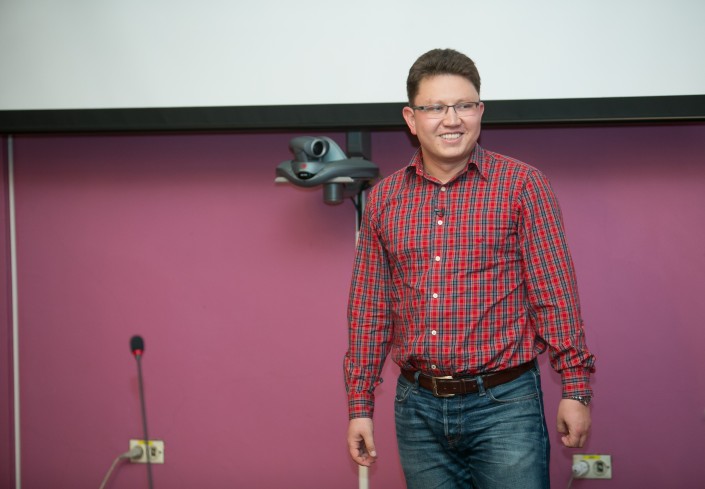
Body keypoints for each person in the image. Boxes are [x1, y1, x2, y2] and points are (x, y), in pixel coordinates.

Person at [344, 48, 595, 489]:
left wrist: (575, 388)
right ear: (411, 118)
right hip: (417, 409)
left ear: (480, 111)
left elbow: (554, 293)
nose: (452, 119)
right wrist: (359, 405)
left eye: (464, 105)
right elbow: (370, 309)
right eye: (435, 108)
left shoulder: (523, 185)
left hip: (506, 405)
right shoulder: (383, 199)